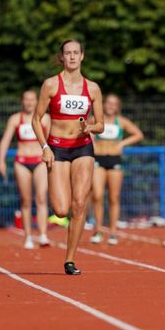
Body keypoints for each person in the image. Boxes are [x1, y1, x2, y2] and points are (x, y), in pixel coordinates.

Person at [33, 39, 104, 275]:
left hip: (83, 148)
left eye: (76, 52)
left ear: (82, 56)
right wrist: (44, 147)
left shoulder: (92, 88)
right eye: (68, 53)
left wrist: (90, 128)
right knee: (62, 210)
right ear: (62, 57)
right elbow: (36, 119)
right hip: (57, 149)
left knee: (80, 203)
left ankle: (70, 260)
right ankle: (58, 222)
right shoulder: (51, 85)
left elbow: (101, 124)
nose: (72, 57)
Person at [0, 90, 52, 249]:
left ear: (37, 101)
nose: (29, 103)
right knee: (26, 200)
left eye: (32, 100)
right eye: (26, 100)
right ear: (22, 101)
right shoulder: (15, 119)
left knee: (41, 197)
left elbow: (51, 140)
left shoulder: (45, 118)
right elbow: (5, 141)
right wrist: (1, 161)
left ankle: (43, 234)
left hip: (40, 160)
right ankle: (28, 236)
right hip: (21, 161)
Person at [90, 94, 143, 245]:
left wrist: (122, 144)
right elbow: (83, 130)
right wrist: (91, 141)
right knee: (98, 195)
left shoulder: (121, 121)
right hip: (98, 159)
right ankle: (98, 230)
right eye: (108, 103)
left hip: (114, 160)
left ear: (117, 106)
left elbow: (138, 134)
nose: (111, 106)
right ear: (104, 104)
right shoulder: (96, 119)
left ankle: (113, 231)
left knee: (114, 197)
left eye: (114, 104)